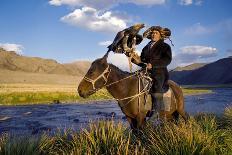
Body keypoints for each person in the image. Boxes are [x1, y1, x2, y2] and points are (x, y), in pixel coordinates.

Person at [141, 26, 172, 120]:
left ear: (160, 36)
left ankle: (156, 111)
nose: (153, 34)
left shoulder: (165, 46)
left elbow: (167, 60)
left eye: (156, 33)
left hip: (159, 72)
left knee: (157, 85)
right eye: (152, 33)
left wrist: (153, 65)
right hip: (146, 71)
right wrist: (135, 59)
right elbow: (142, 59)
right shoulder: (146, 47)